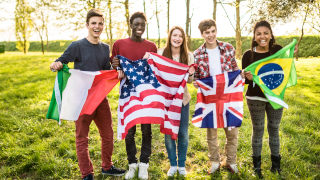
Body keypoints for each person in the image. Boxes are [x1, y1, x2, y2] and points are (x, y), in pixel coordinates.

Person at [50, 9, 126, 180]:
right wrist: (55, 64)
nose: (97, 27)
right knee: (82, 137)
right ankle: (87, 174)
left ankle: (107, 166)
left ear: (103, 25)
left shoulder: (105, 47)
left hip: (100, 98)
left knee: (108, 134)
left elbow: (104, 72)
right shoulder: (76, 45)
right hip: (82, 98)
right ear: (87, 25)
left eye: (100, 23)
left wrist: (115, 69)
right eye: (93, 23)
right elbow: (61, 60)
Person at [110, 11, 157, 180]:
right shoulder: (119, 44)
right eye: (136, 24)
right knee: (129, 132)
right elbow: (113, 67)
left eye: (142, 25)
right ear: (130, 25)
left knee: (146, 131)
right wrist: (114, 65)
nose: (139, 27)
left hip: (145, 95)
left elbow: (155, 69)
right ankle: (132, 164)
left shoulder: (151, 46)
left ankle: (144, 164)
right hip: (127, 95)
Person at [144, 26, 195, 177]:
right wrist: (148, 59)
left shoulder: (189, 55)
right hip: (165, 101)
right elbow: (153, 72)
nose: (177, 38)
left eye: (180, 36)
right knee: (168, 133)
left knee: (183, 134)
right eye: (175, 35)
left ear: (183, 39)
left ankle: (182, 165)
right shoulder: (160, 53)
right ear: (170, 37)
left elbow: (190, 81)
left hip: (182, 101)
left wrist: (191, 74)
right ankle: (173, 164)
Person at [193, 19, 241, 174]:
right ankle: (215, 162)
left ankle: (231, 161)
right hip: (210, 98)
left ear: (216, 31)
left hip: (228, 96)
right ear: (202, 34)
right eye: (207, 32)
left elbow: (235, 69)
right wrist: (196, 82)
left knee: (232, 131)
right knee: (211, 132)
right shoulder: (197, 54)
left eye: (213, 31)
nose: (211, 35)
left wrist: (242, 76)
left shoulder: (228, 48)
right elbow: (197, 76)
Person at [242, 20, 284, 178]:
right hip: (255, 98)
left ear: (271, 34)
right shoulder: (248, 54)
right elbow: (246, 81)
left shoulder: (278, 51)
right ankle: (257, 167)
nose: (262, 36)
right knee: (258, 130)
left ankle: (276, 166)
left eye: (266, 33)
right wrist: (248, 77)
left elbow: (283, 73)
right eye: (258, 33)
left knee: (274, 129)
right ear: (254, 36)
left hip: (275, 97)